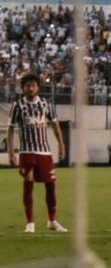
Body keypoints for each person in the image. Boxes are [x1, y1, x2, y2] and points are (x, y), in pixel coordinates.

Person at [7, 73, 68, 233]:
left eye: (33, 85)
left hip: (44, 151)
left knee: (51, 185)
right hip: (27, 150)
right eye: (27, 85)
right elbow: (11, 128)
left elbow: (55, 126)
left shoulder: (46, 104)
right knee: (28, 181)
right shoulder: (18, 106)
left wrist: (61, 145)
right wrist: (11, 150)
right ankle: (30, 223)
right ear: (23, 88)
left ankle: (52, 220)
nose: (30, 88)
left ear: (38, 87)